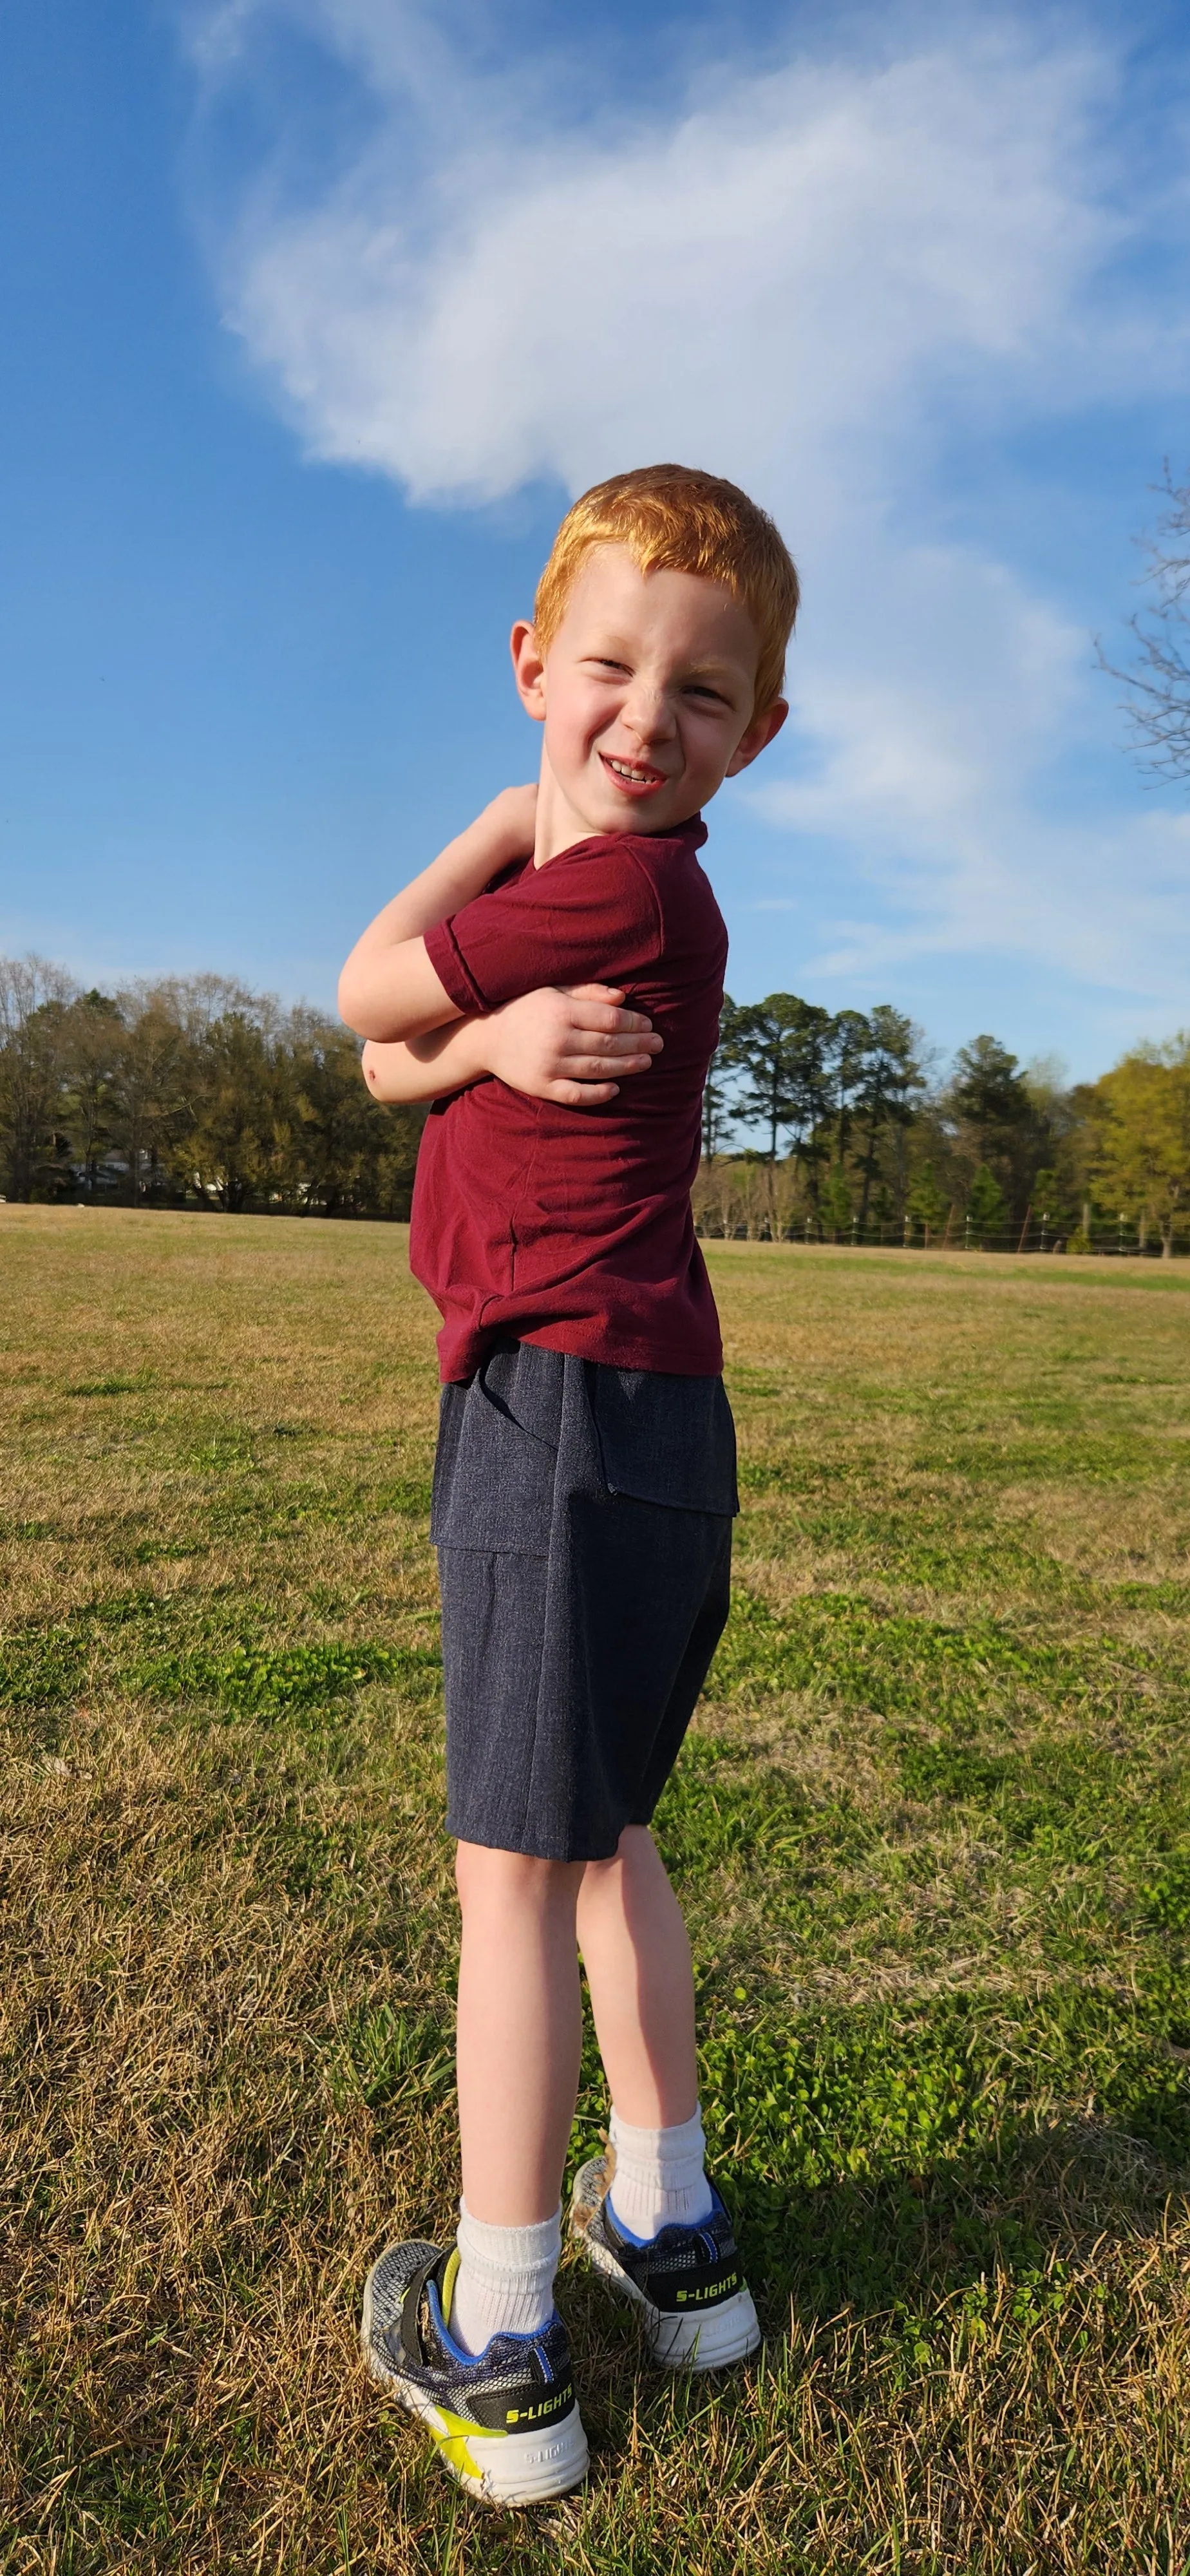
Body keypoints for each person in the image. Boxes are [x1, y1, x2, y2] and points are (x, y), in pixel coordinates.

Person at [337, 463, 798, 2508]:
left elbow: (362, 994)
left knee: (510, 1882)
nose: (644, 718)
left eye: (701, 694)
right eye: (607, 668)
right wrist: (487, 1048)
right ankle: (671, 2236)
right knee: (610, 1829)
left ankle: (506, 2333)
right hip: (660, 1427)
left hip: (561, 1414)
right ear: (540, 660)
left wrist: (512, 814)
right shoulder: (664, 892)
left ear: (755, 736)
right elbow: (402, 1060)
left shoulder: (597, 877)